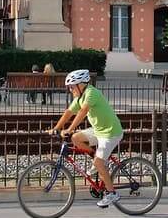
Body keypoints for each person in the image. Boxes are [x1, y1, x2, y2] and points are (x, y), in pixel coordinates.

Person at [49, 69, 124, 208]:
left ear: (81, 85)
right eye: (69, 87)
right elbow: (69, 112)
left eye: (72, 86)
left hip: (110, 133)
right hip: (98, 131)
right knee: (76, 138)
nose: (70, 90)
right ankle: (99, 163)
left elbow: (83, 112)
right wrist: (56, 128)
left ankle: (112, 193)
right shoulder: (80, 97)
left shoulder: (91, 93)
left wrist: (69, 129)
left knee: (98, 162)